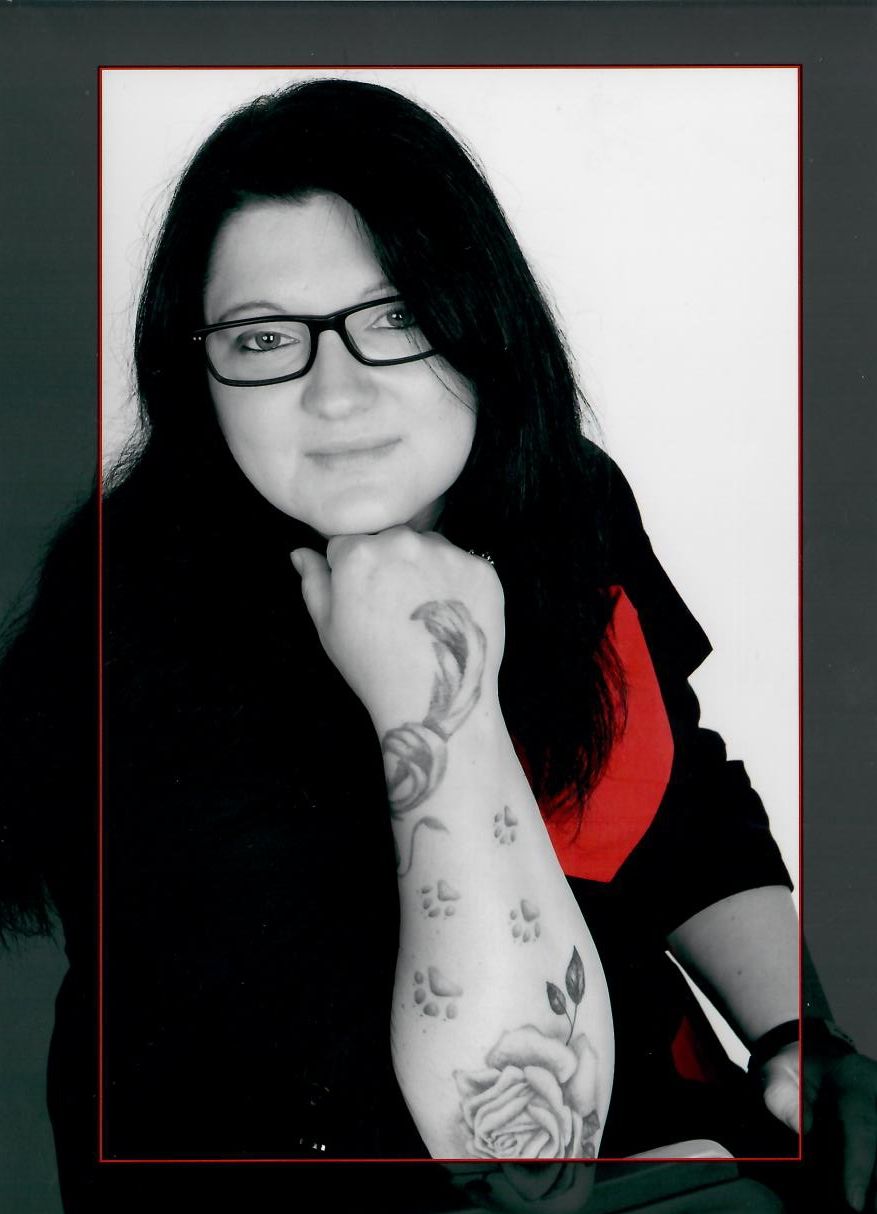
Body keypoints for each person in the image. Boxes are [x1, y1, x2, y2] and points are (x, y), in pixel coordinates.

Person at [1, 76, 874, 1213]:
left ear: (481, 319)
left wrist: (797, 1037)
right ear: (196, 371)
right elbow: (520, 1168)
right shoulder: (130, 633)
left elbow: (680, 809)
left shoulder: (564, 498)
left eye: (398, 316)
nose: (336, 392)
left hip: (668, 1137)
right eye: (263, 337)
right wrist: (433, 695)